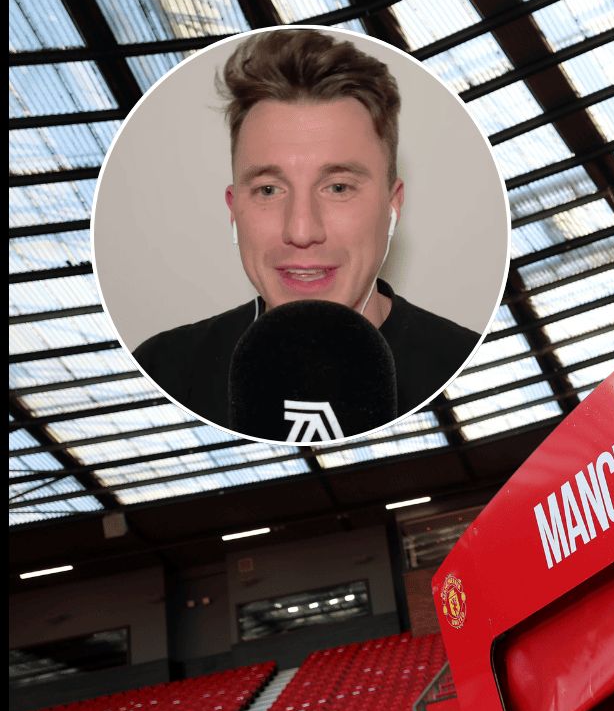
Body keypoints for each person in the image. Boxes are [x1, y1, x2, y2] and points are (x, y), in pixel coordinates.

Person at [134, 28, 480, 433]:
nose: (301, 230)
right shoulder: (162, 371)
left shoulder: (469, 368)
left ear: (392, 205)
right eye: (268, 189)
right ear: (234, 210)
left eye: (338, 187)